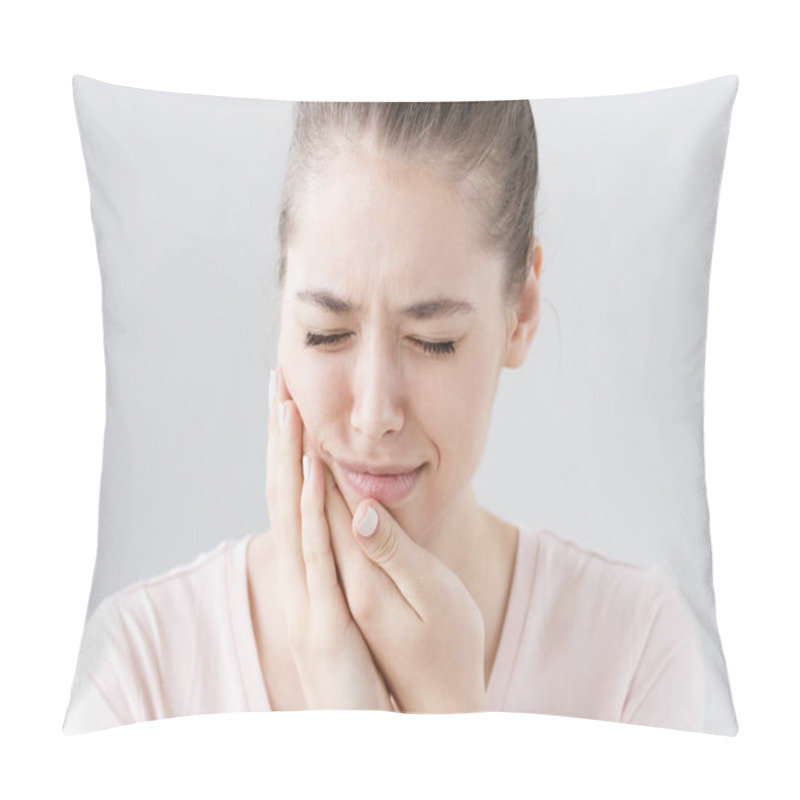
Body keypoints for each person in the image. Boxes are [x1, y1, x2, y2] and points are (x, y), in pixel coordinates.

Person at [63, 101, 704, 734]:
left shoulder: (636, 653)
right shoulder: (136, 673)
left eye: (434, 341)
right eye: (325, 333)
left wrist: (450, 722)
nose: (373, 416)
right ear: (282, 307)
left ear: (523, 310)